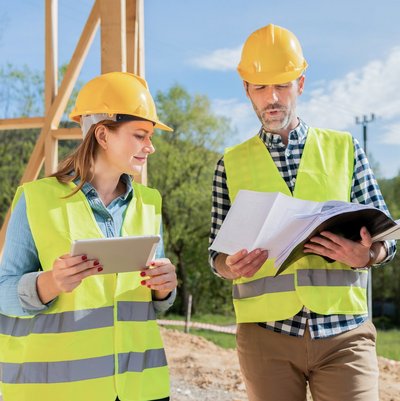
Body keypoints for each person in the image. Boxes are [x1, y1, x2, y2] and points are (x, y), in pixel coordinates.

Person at [209, 24, 396, 401]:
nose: (272, 97)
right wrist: (230, 266)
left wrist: (369, 253)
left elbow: (388, 238)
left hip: (345, 333)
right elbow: (215, 255)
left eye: (282, 85)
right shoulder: (229, 165)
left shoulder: (346, 149)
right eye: (261, 87)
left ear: (301, 84)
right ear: (246, 89)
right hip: (266, 338)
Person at [0, 72, 177, 401]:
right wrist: (50, 283)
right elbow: (3, 292)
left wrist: (165, 288)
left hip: (140, 390)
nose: (150, 146)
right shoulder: (37, 199)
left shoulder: (150, 203)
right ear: (103, 135)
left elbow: (152, 303)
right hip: (60, 391)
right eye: (140, 135)